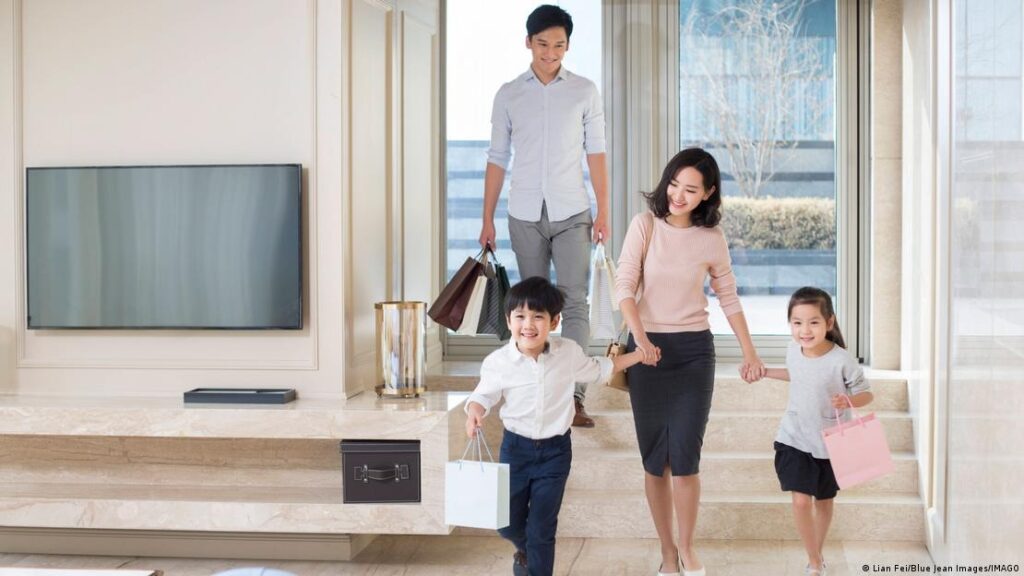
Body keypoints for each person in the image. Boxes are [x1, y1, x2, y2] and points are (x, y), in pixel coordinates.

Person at [614, 147, 765, 576]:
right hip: (646, 352)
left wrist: (750, 352)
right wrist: (641, 339)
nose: (678, 195)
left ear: (708, 193)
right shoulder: (645, 225)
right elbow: (624, 286)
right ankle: (667, 552)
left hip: (694, 354)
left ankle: (687, 547)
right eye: (674, 184)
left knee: (684, 458)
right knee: (655, 460)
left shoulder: (711, 238)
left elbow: (728, 297)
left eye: (691, 189)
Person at [478, 4, 609, 428]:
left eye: (559, 45)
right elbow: (497, 158)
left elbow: (596, 153)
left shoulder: (585, 91)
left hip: (573, 211)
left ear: (568, 45)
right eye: (542, 44)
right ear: (528, 43)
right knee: (530, 309)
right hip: (524, 213)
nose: (551, 53)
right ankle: (533, 392)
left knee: (574, 301)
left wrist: (603, 211)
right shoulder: (509, 94)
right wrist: (487, 218)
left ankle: (574, 398)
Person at [464, 276, 643, 576]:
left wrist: (638, 355)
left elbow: (598, 370)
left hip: (555, 453)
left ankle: (534, 558)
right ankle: (526, 550)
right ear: (508, 321)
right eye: (520, 316)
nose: (528, 325)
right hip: (515, 451)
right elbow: (483, 395)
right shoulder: (498, 362)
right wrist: (474, 413)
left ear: (555, 321)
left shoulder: (567, 352)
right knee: (506, 523)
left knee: (542, 529)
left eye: (538, 316)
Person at [754, 287, 873, 576]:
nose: (804, 330)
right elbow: (797, 376)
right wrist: (765, 372)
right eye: (797, 323)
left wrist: (848, 400)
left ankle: (815, 557)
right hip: (793, 436)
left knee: (824, 501)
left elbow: (866, 394)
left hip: (829, 443)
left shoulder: (842, 360)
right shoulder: (793, 350)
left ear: (829, 322)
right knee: (800, 501)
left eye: (813, 322)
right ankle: (815, 560)